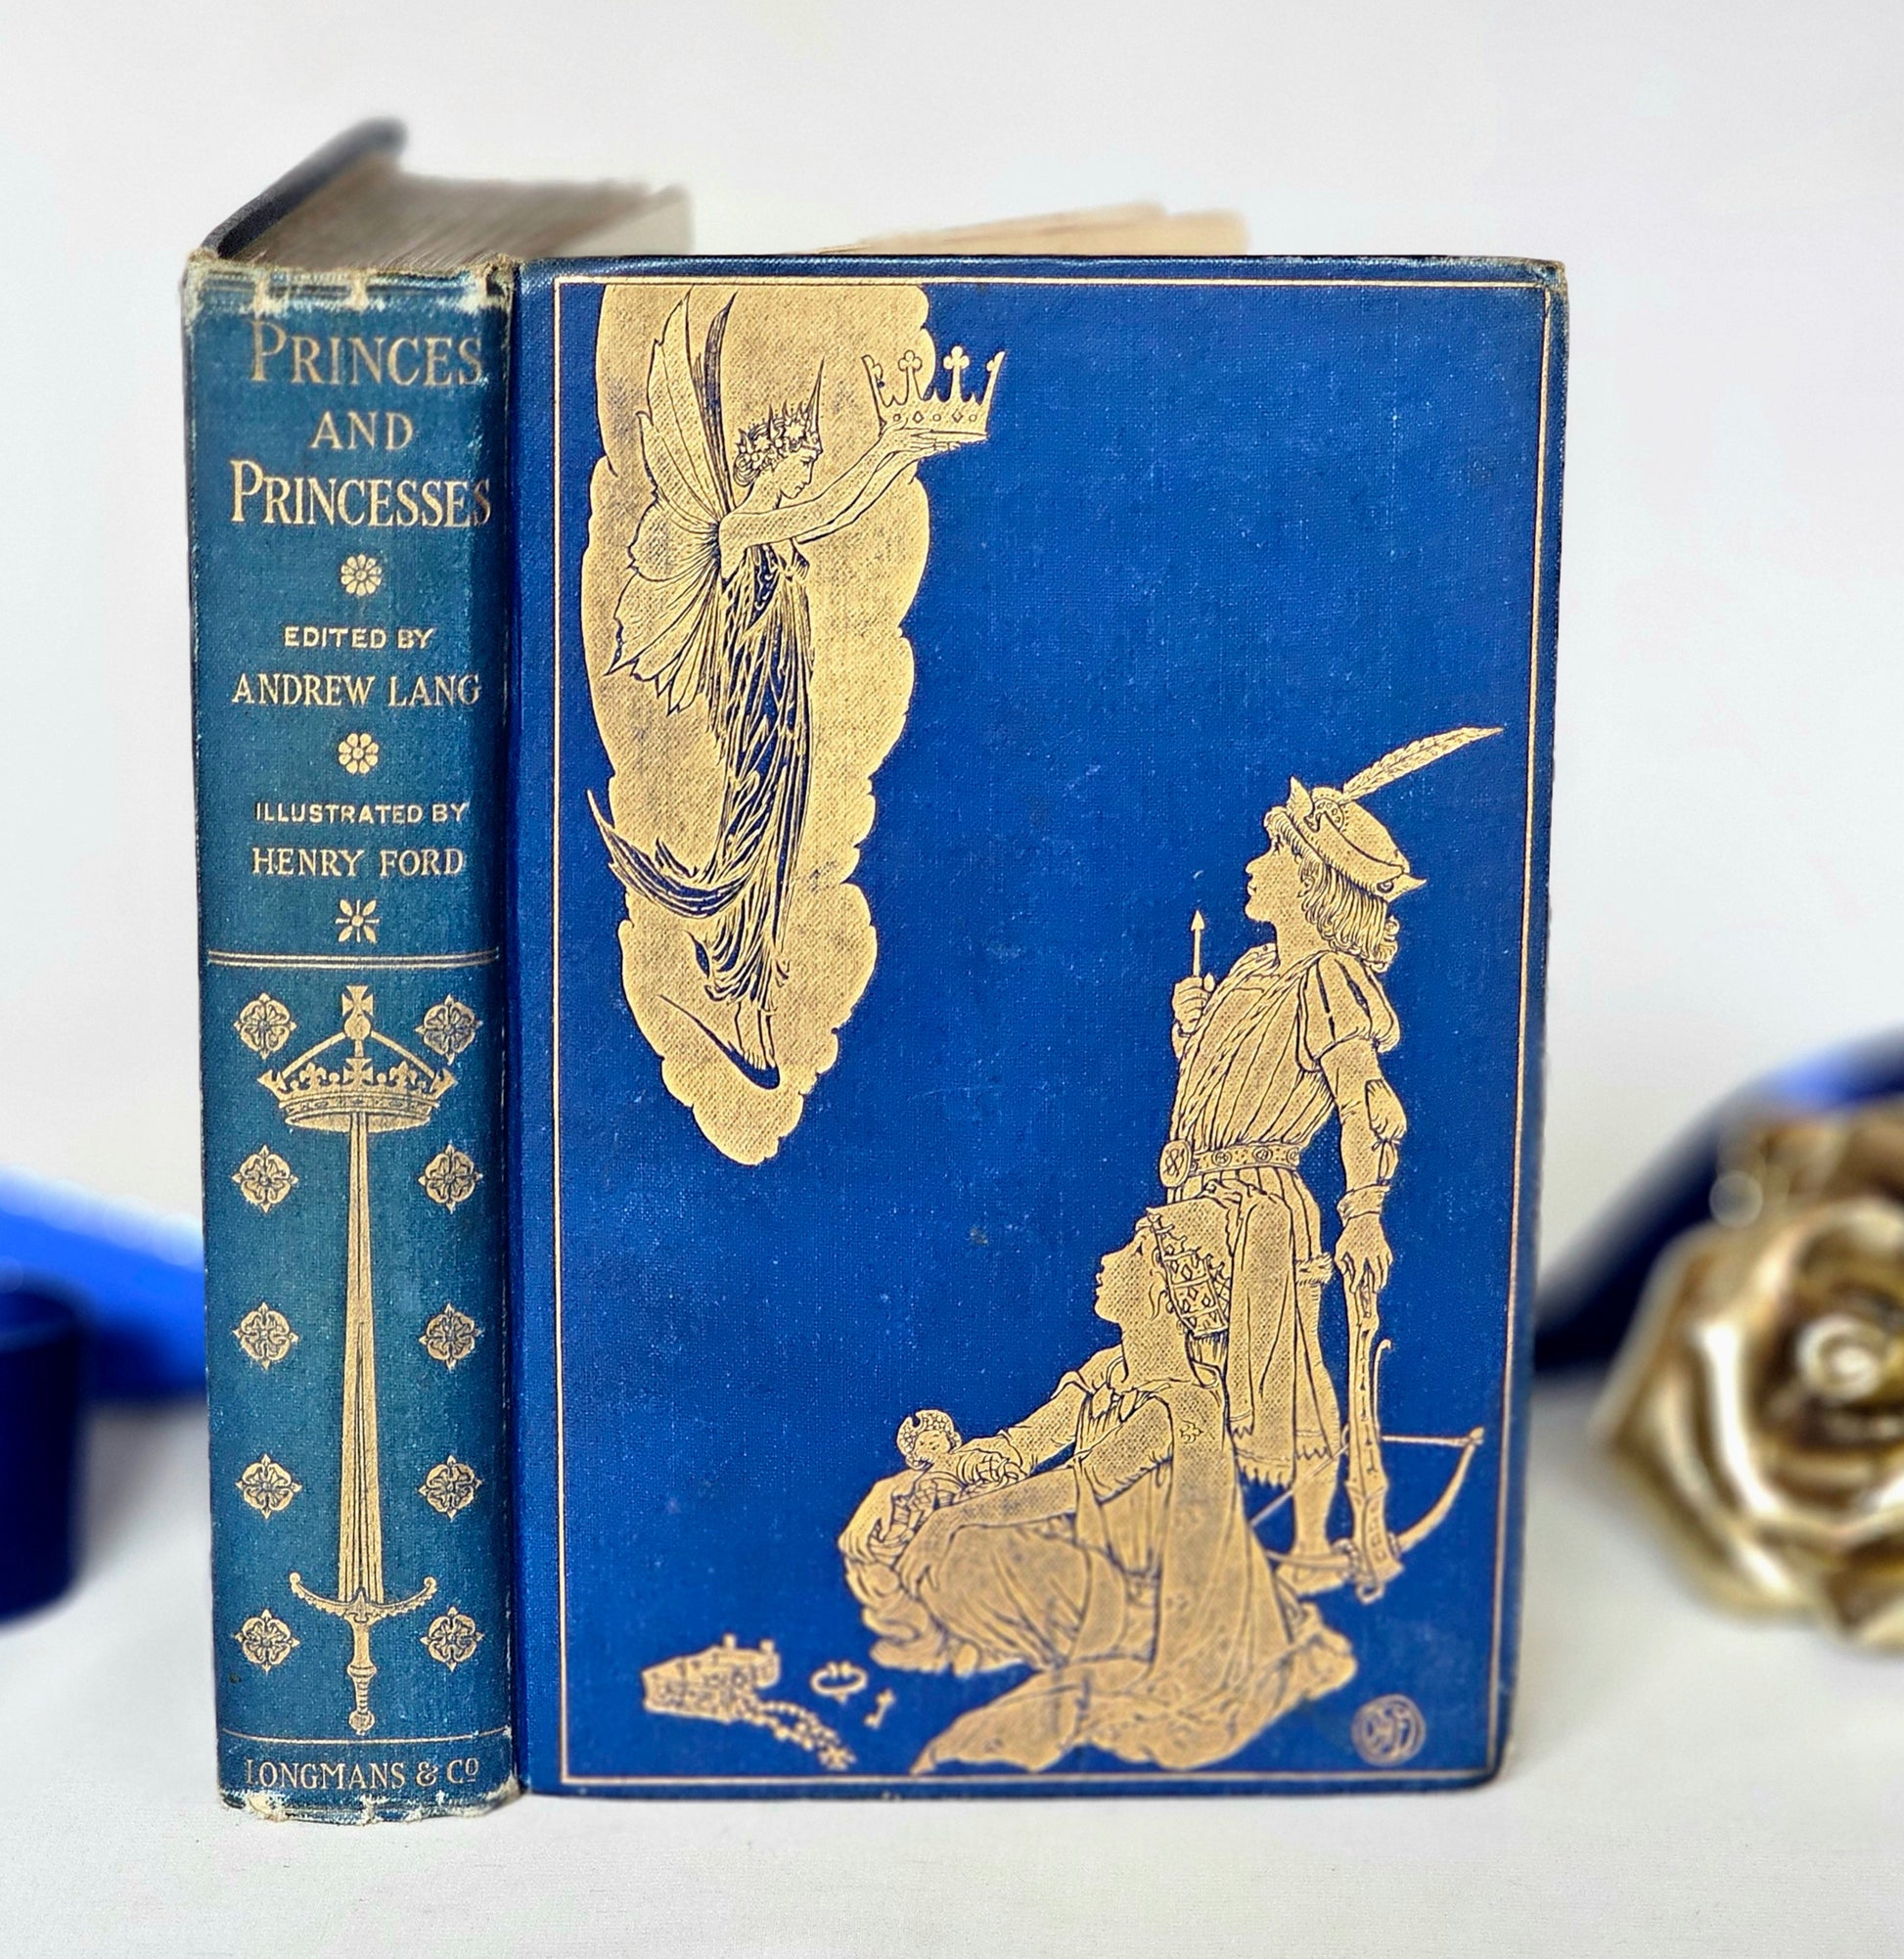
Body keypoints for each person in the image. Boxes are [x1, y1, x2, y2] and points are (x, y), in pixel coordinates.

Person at [847, 1200, 1355, 1775]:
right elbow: (1025, 1444)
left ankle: (1082, 1643)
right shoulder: (1107, 1372)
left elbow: (1075, 1483)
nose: (1109, 1259)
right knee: (915, 1523)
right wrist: (945, 1476)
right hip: (1094, 1572)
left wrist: (953, 1518)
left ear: (1164, 1291)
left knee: (963, 1548)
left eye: (1134, 1251)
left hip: (1159, 1615)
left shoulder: (1184, 1406)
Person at [590, 296, 955, 1084]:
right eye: (798, 468)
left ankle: (741, 990)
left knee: (776, 858)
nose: (804, 480)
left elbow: (819, 517)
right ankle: (739, 995)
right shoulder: (740, 531)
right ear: (771, 470)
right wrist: (892, 452)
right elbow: (828, 510)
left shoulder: (776, 541)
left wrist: (894, 453)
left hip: (788, 722)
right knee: (755, 853)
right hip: (757, 724)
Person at [1163, 729, 1494, 1577]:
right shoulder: (1248, 975)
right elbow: (1223, 1089)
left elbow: (1366, 1107)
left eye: (1274, 855)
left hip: (1261, 1210)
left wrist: (1365, 1212)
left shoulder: (1329, 980)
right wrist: (1193, 1036)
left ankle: (1310, 1545)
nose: (1254, 866)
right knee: (1187, 1375)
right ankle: (1196, 1541)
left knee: (1284, 1377)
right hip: (1195, 1200)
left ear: (1311, 883)